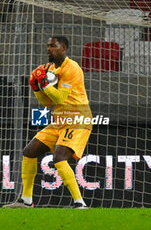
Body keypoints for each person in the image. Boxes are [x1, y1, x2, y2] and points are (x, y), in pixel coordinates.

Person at [5, 35, 92, 209]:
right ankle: (26, 200)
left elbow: (60, 98)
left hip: (77, 119)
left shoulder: (72, 68)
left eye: (53, 46)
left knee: (59, 158)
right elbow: (47, 102)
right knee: (29, 151)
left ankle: (80, 203)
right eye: (48, 45)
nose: (48, 49)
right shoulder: (51, 69)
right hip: (59, 120)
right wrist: (36, 88)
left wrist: (44, 84)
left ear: (64, 48)